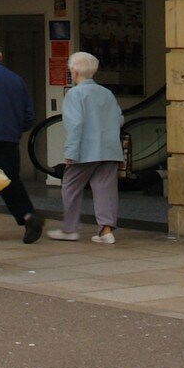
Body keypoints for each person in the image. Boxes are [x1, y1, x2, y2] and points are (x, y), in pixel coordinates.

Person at [0, 42, 44, 244]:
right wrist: (13, 129)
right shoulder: (17, 80)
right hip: (10, 138)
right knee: (9, 179)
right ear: (0, 57)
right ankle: (27, 215)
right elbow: (29, 115)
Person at [50, 51, 124, 245]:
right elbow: (120, 118)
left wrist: (70, 152)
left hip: (86, 151)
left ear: (74, 71)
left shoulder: (75, 93)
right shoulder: (106, 92)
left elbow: (75, 125)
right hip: (109, 149)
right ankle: (106, 230)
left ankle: (70, 228)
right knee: (105, 189)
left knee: (71, 187)